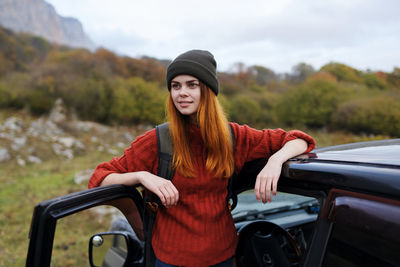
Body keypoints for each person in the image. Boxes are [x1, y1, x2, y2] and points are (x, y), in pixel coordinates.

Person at [88, 49, 316, 267]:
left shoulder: (235, 137)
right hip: (169, 259)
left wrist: (274, 161)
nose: (182, 93)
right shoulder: (156, 141)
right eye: (175, 86)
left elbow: (300, 139)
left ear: (207, 90)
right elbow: (100, 179)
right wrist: (142, 176)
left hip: (223, 256)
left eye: (192, 85)